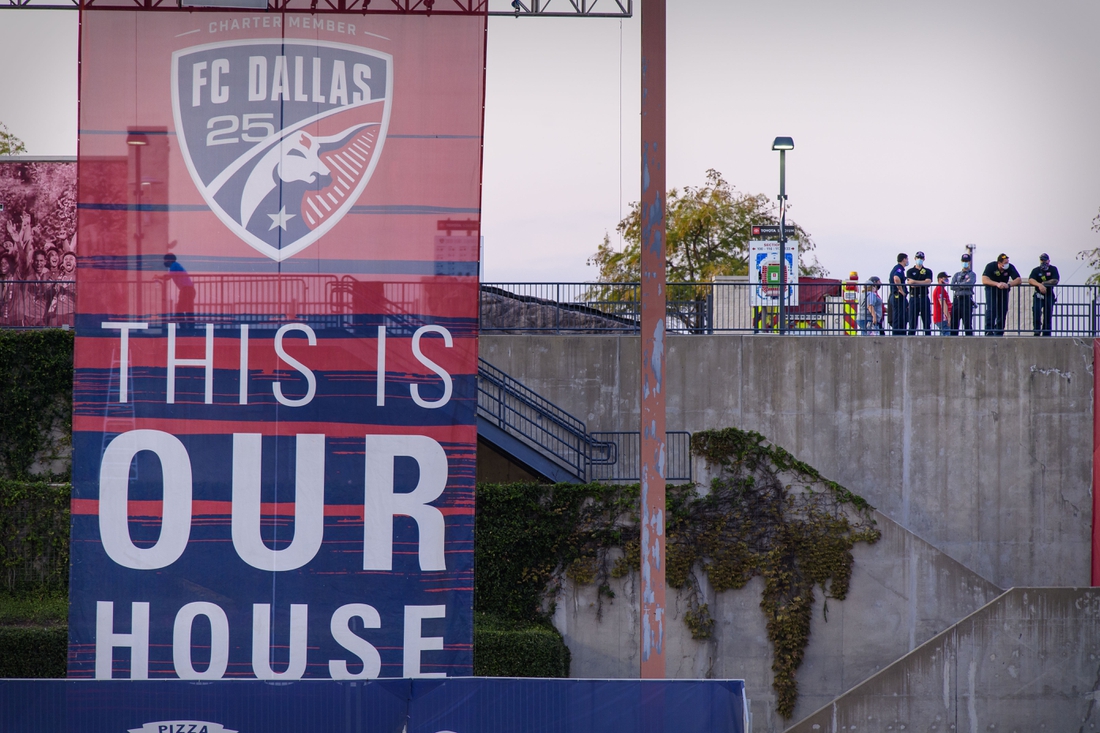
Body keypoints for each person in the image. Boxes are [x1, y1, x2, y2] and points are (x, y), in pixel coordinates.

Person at [982, 253, 1021, 336]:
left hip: (1003, 290)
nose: (1007, 264)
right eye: (1005, 263)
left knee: (1003, 310)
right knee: (991, 309)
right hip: (992, 289)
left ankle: (999, 331)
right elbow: (984, 280)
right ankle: (989, 330)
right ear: (999, 263)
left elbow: (1018, 279)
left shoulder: (1010, 267)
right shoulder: (991, 266)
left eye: (1007, 262)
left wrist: (1009, 284)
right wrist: (997, 284)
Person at [1027, 253, 1059, 336]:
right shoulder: (1036, 270)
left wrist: (1044, 283)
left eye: (1045, 260)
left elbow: (1055, 280)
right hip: (1038, 295)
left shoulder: (1053, 269)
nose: (1043, 261)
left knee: (1048, 314)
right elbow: (1031, 280)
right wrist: (1039, 285)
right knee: (1036, 311)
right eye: (1042, 260)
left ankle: (1046, 332)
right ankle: (1036, 330)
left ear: (1048, 260)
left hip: (1049, 295)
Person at [906, 251, 933, 335]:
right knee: (912, 322)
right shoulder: (910, 271)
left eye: (921, 258)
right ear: (915, 258)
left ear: (924, 259)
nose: (919, 259)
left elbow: (928, 282)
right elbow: (911, 284)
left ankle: (928, 338)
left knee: (927, 322)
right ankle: (911, 338)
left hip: (924, 297)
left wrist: (915, 282)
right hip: (914, 297)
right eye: (918, 258)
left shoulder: (928, 271)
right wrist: (922, 283)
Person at [950, 254, 977, 335]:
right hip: (957, 299)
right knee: (954, 323)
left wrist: (959, 284)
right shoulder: (957, 274)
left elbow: (969, 284)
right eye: (963, 261)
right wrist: (964, 284)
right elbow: (951, 286)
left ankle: (969, 340)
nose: (965, 263)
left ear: (969, 262)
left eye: (966, 261)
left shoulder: (972, 274)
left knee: (967, 323)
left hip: (966, 299)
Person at [163, 252, 196, 317]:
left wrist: (158, 277)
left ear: (169, 260)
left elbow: (167, 278)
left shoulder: (174, 265)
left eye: (165, 260)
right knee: (188, 309)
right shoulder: (176, 265)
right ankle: (190, 326)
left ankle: (183, 326)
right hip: (189, 289)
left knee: (179, 310)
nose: (165, 262)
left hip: (186, 290)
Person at [889, 253, 909, 335]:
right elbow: (896, 278)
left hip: (896, 296)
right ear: (904, 259)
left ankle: (900, 333)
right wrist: (901, 290)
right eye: (907, 259)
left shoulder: (897, 268)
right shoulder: (899, 269)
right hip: (897, 296)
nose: (907, 261)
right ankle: (897, 335)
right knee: (898, 316)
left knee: (901, 315)